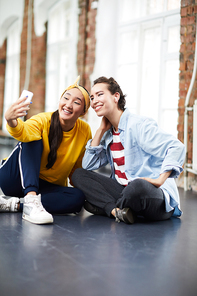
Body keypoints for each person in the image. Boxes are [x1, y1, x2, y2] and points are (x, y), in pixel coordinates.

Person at [72, 76, 186, 224]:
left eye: (100, 94)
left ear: (116, 96)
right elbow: (88, 165)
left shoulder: (139, 125)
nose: (94, 101)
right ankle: (118, 211)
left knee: (136, 186)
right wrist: (100, 130)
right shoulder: (108, 135)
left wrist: (160, 180)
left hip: (151, 194)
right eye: (92, 98)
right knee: (78, 174)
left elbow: (177, 147)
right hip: (124, 191)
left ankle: (107, 207)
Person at [0, 76, 92, 225]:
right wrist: (11, 120)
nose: (68, 104)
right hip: (14, 178)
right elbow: (22, 131)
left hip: (45, 186)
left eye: (76, 102)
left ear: (83, 111)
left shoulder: (85, 131)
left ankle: (15, 204)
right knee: (33, 139)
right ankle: (30, 199)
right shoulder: (43, 120)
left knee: (78, 198)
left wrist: (85, 194)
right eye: (66, 98)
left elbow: (76, 169)